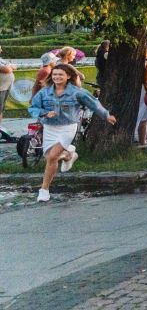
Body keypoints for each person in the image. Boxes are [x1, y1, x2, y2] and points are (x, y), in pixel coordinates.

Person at [29, 64, 117, 201]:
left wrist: (106, 115)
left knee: (52, 157)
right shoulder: (44, 92)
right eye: (55, 74)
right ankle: (69, 155)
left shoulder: (76, 92)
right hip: (50, 128)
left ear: (68, 76)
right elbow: (33, 108)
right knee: (51, 157)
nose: (57, 77)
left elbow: (93, 104)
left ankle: (44, 190)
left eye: (60, 74)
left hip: (68, 127)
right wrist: (44, 113)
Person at [0, 43, 14, 130]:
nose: (1, 50)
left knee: (1, 109)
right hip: (0, 89)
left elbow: (13, 66)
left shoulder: (1, 60)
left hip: (4, 87)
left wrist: (9, 66)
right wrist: (9, 66)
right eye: (0, 49)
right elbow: (7, 69)